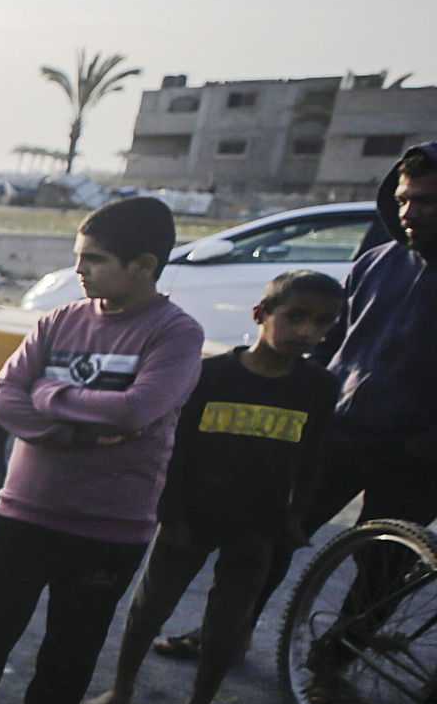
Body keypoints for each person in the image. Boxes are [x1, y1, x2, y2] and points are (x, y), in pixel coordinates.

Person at [155, 141, 437, 667]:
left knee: (382, 568)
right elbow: (330, 343)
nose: (410, 211)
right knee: (273, 539)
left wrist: (425, 446)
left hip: (414, 455)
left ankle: (332, 668)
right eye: (404, 199)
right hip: (339, 433)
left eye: (426, 201)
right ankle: (227, 633)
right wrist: (308, 400)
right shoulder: (378, 262)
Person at [0, 196, 205, 704]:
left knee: (72, 643)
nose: (79, 270)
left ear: (143, 265)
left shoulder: (175, 335)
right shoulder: (59, 321)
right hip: (24, 510)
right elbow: (5, 399)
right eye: (79, 256)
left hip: (110, 527)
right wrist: (69, 427)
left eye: (93, 259)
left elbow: (137, 409)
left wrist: (48, 393)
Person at [78, 270, 342, 704]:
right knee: (148, 611)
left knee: (226, 629)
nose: (307, 331)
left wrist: (295, 518)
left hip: (258, 527)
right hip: (190, 520)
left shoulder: (319, 388)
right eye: (296, 316)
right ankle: (121, 689)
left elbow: (314, 458)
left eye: (323, 323)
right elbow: (174, 448)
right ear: (261, 314)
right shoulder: (210, 375)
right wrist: (171, 515)